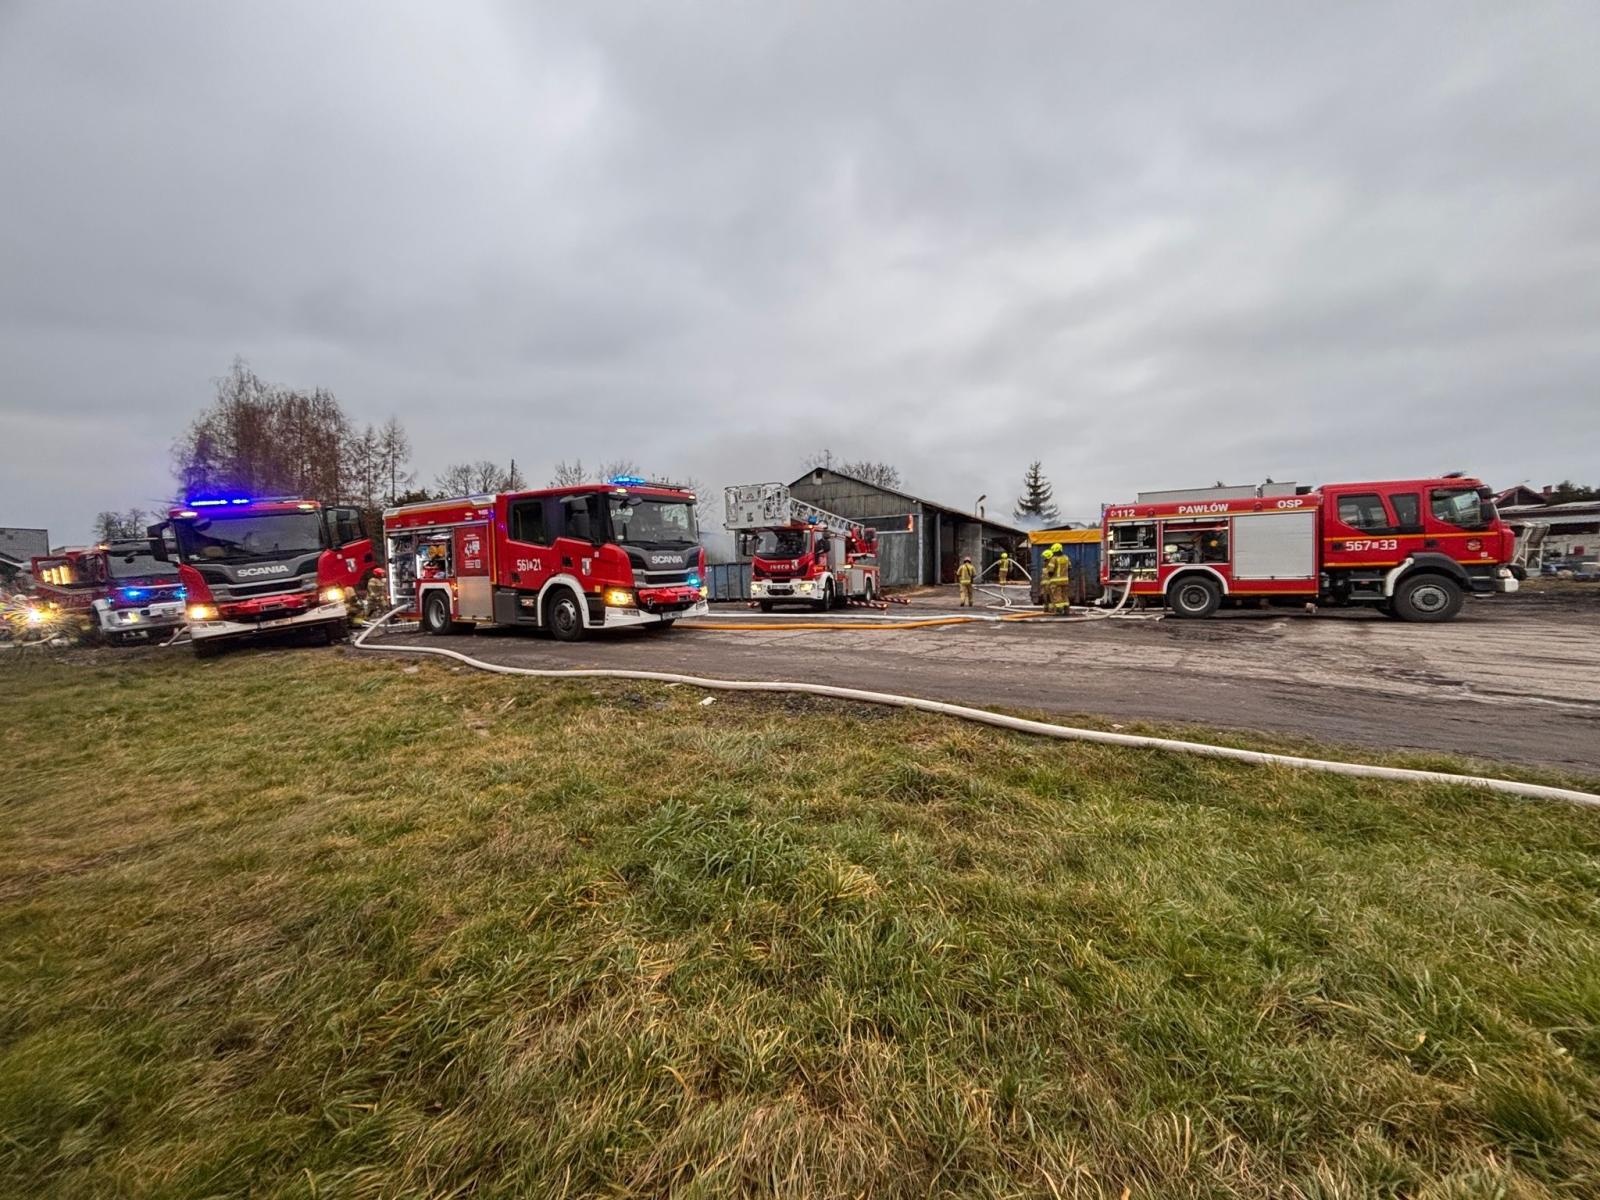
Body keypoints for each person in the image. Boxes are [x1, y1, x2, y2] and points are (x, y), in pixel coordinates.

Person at [1044, 543, 1071, 614]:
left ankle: (1059, 610)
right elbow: (1069, 568)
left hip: (1056, 581)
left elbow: (1051, 571)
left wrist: (1049, 577)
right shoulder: (1066, 558)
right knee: (1065, 595)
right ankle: (1066, 610)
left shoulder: (1054, 559)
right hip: (1065, 580)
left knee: (1057, 596)